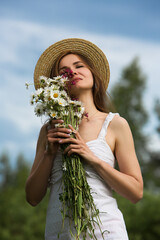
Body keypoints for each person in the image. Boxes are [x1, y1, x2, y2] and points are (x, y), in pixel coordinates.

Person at [25, 38, 143, 240]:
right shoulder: (49, 131)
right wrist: (49, 153)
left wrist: (93, 159)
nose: (72, 72)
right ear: (56, 85)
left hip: (106, 231)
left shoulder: (115, 124)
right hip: (60, 233)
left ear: (93, 75)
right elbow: (32, 198)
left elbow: (136, 192)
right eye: (64, 72)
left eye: (79, 66)